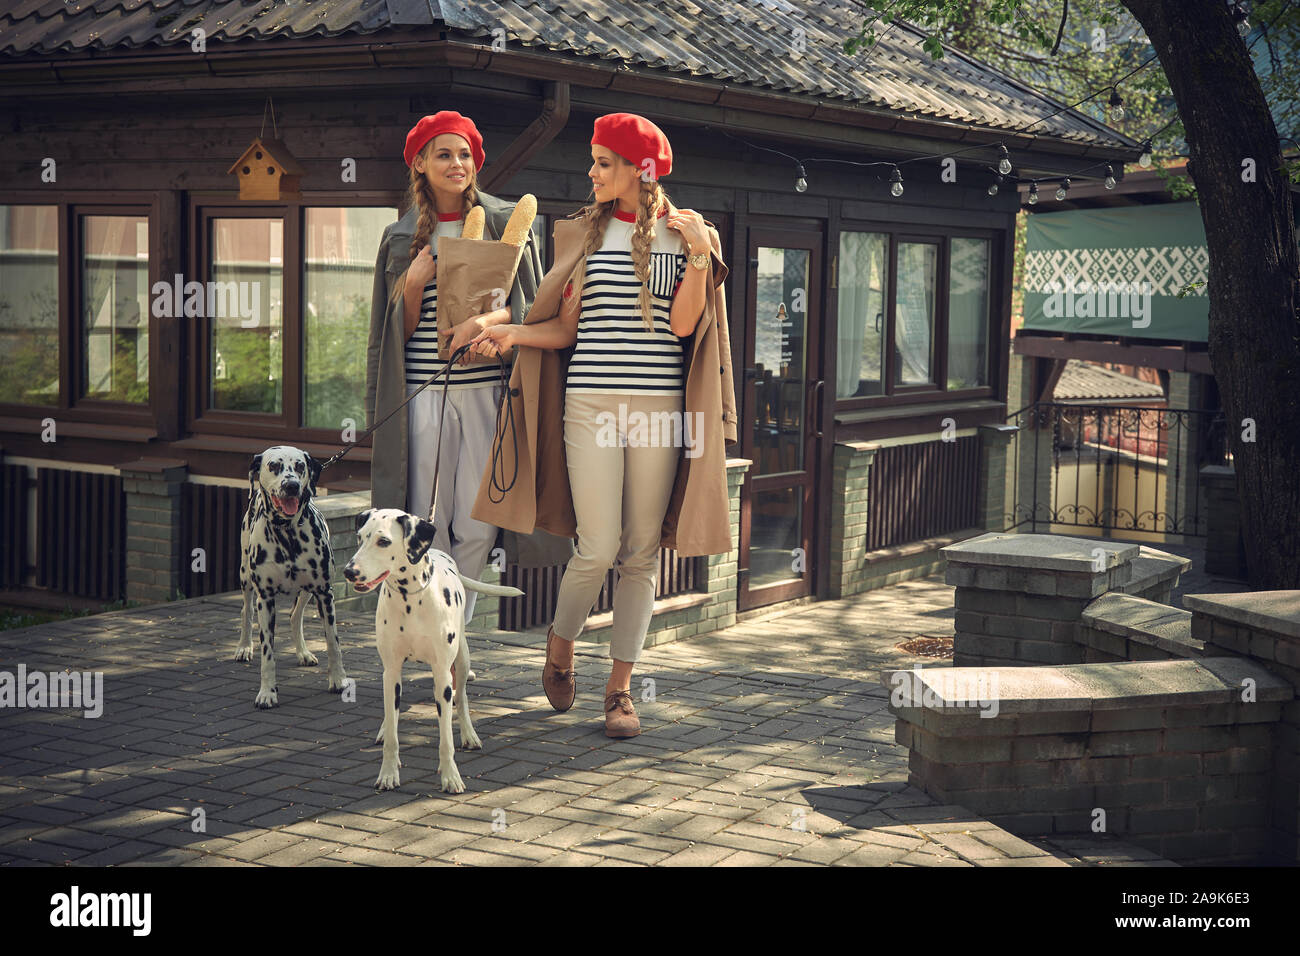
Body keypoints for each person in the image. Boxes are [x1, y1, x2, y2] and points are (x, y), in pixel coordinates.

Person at [470, 113, 739, 738]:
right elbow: (565, 331)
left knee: (641, 552)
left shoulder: (688, 236)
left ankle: (619, 691)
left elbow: (681, 327)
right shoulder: (581, 236)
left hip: (658, 410)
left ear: (638, 170)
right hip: (589, 403)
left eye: (603, 162)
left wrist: (699, 253)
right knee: (596, 545)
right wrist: (506, 332)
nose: (590, 173)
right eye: (592, 161)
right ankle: (560, 647)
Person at [365, 111, 550, 630]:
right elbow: (389, 340)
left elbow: (533, 311)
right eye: (443, 154)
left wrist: (488, 322)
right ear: (420, 163)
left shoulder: (506, 225)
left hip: (487, 393)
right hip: (424, 396)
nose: (456, 163)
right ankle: (428, 631)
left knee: (477, 524)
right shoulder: (400, 238)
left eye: (465, 154)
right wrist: (417, 285)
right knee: (427, 521)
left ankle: (454, 632)